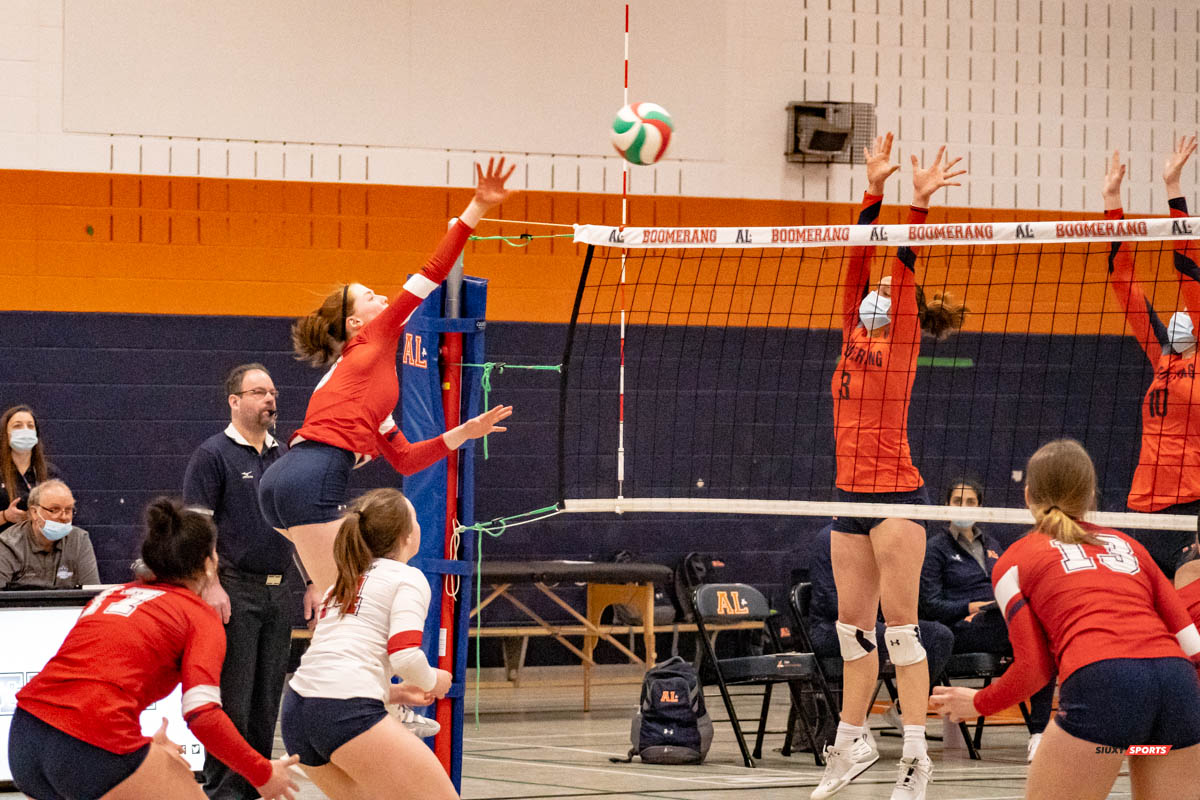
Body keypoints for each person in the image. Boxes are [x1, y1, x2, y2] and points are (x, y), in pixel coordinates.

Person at [258, 157, 516, 593]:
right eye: (369, 296)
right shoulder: (374, 338)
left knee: (342, 606)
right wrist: (477, 207)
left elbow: (406, 459)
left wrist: (464, 432)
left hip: (283, 481)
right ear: (357, 324)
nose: (382, 297)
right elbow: (433, 272)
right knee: (354, 607)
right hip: (314, 476)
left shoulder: (366, 387)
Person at [814, 134, 967, 800]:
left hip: (899, 495)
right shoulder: (853, 328)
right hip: (849, 496)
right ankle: (852, 744)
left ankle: (914, 758)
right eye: (872, 290)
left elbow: (900, 261)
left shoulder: (899, 336)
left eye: (885, 289)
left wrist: (917, 202)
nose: (876, 291)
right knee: (853, 633)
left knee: (901, 634)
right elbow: (858, 258)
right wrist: (871, 189)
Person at [931, 439, 1200, 800]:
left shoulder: (1014, 559)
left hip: (1104, 684)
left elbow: (1035, 669)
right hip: (1177, 689)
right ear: (1091, 495)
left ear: (1027, 496)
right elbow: (1192, 647)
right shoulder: (1131, 547)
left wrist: (978, 703)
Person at [7, 498, 298, 800]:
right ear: (210, 562)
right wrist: (261, 772)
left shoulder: (108, 597)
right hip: (91, 742)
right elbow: (203, 714)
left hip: (26, 738)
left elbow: (87, 682)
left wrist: (144, 750)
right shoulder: (198, 615)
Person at [183, 363, 317, 800]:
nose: (270, 400)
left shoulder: (286, 457)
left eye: (273, 392)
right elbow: (198, 528)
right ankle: (224, 793)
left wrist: (313, 581)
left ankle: (259, 786)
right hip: (233, 590)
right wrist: (212, 583)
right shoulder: (212, 455)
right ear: (234, 400)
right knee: (233, 703)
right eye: (258, 392)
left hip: (279, 593)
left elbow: (299, 526)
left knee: (265, 705)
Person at [281, 488, 456, 800]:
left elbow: (335, 665)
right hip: (345, 712)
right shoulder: (407, 577)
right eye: (414, 519)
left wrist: (391, 691)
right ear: (406, 536)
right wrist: (435, 680)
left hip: (297, 712)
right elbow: (404, 656)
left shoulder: (343, 579)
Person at [1103, 138, 1200, 579]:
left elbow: (1188, 267)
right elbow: (1125, 282)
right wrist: (1112, 203)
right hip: (1144, 506)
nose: (1181, 315)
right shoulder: (1163, 354)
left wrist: (1173, 188)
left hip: (1191, 504)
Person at [918, 478, 1053, 762]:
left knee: (1042, 637)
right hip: (961, 627)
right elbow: (928, 605)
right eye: (957, 502)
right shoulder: (935, 548)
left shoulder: (992, 545)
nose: (964, 508)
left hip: (996, 617)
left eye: (970, 502)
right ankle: (1038, 730)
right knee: (1034, 631)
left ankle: (1039, 734)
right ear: (946, 506)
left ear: (980, 507)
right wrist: (969, 606)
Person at [807, 524, 955, 721]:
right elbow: (830, 600)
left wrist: (893, 617)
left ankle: (902, 708)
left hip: (876, 623)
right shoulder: (831, 537)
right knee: (867, 635)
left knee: (938, 635)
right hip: (830, 627)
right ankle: (854, 719)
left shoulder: (886, 534)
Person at [0, 478, 98, 589]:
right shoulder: (8, 544)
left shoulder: (79, 540)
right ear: (34, 512)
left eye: (68, 510)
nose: (64, 517)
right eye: (54, 510)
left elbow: (92, 594)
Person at [0, 405, 61, 534]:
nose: (25, 430)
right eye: (17, 426)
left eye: (30, 426)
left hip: (38, 548)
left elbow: (64, 518)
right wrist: (5, 516)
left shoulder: (50, 473)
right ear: (5, 433)